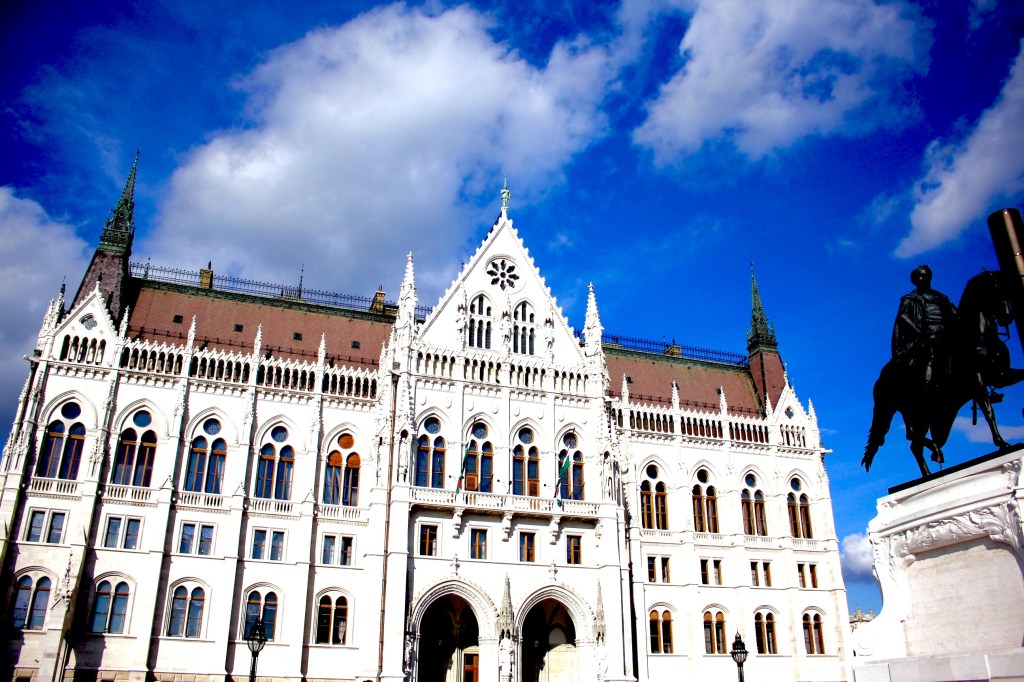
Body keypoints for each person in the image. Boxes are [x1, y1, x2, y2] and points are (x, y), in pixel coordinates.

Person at [891, 265, 958, 392]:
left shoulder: (941, 297)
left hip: (944, 331)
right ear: (916, 279)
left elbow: (955, 313)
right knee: (931, 351)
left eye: (926, 275)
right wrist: (919, 332)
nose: (924, 278)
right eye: (921, 275)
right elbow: (903, 315)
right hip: (925, 334)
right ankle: (927, 388)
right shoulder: (910, 298)